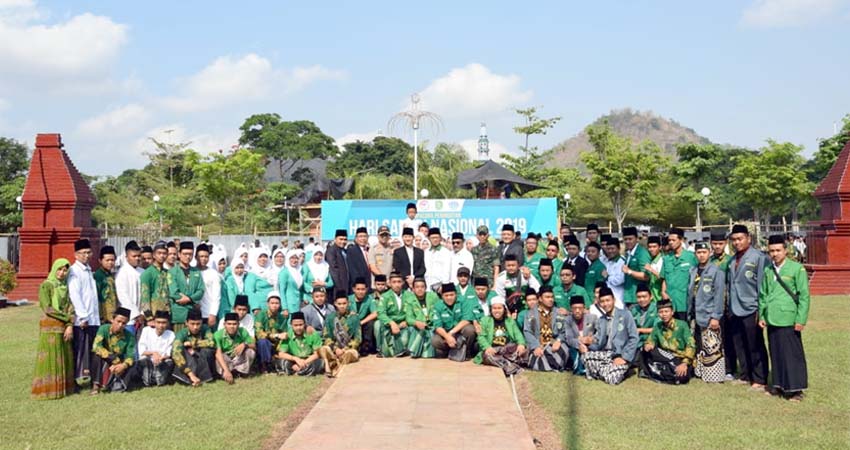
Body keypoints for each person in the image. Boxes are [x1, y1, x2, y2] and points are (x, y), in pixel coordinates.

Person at [759, 235, 810, 401]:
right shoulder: (768, 270)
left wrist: (801, 319)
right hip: (772, 317)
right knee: (776, 352)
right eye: (771, 251)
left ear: (785, 250)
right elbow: (763, 294)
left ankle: (796, 389)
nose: (775, 254)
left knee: (792, 354)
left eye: (778, 250)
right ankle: (779, 385)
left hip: (789, 317)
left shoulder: (797, 269)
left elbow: (804, 296)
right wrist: (762, 314)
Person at [727, 224, 769, 389]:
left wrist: (760, 310)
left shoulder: (759, 257)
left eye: (740, 239)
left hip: (751, 308)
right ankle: (745, 375)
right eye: (734, 240)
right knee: (740, 343)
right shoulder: (732, 260)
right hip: (735, 308)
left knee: (755, 344)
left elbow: (762, 286)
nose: (737, 242)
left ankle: (759, 378)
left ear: (748, 238)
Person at [31, 259, 76, 399]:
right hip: (50, 327)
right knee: (50, 358)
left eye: (65, 270)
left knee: (63, 357)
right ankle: (47, 390)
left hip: (64, 327)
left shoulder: (65, 287)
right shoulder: (47, 285)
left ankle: (63, 389)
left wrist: (69, 325)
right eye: (59, 269)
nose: (62, 273)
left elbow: (70, 306)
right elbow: (47, 308)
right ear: (54, 269)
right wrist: (68, 318)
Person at [583, 287, 639, 385]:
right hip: (607, 354)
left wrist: (624, 358)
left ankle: (606, 370)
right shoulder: (601, 320)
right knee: (586, 357)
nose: (605, 304)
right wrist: (589, 343)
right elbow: (598, 341)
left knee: (612, 380)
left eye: (608, 300)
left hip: (621, 354)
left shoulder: (625, 315)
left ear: (614, 300)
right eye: (602, 301)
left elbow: (634, 338)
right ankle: (609, 368)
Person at [688, 242, 727, 383]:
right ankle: (700, 371)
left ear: (709, 253)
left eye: (704, 252)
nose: (701, 255)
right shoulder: (693, 271)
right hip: (695, 313)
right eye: (698, 253)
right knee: (699, 344)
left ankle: (714, 375)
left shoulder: (716, 271)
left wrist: (716, 316)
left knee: (712, 346)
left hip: (709, 314)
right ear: (695, 254)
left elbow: (719, 296)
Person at [68, 238, 100, 387]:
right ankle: (74, 380)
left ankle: (93, 378)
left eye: (89, 252)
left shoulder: (88, 271)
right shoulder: (74, 271)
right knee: (79, 352)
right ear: (76, 255)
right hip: (83, 320)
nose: (86, 256)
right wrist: (82, 316)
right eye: (83, 253)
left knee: (92, 351)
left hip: (94, 319)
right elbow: (75, 295)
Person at [640, 299, 696, 385]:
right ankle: (663, 371)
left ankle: (656, 372)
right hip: (665, 357)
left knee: (682, 377)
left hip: (679, 358)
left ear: (672, 312)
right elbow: (651, 340)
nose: (664, 314)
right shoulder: (658, 326)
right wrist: (649, 344)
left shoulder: (682, 325)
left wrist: (684, 363)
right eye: (661, 312)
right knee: (644, 350)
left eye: (666, 311)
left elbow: (691, 344)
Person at [474, 296, 526, 376]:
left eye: (499, 308)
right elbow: (481, 336)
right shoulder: (485, 320)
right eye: (494, 308)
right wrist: (487, 347)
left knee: (523, 350)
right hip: (493, 350)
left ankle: (508, 362)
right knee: (488, 356)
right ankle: (510, 367)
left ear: (504, 309)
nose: (497, 311)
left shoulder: (509, 321)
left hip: (506, 349)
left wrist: (521, 344)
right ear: (491, 310)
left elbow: (518, 334)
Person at [523, 285, 569, 372]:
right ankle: (551, 364)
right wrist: (536, 346)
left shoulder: (558, 312)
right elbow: (527, 332)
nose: (550, 299)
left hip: (553, 343)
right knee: (535, 356)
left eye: (552, 297)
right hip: (538, 343)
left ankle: (546, 363)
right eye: (547, 297)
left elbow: (564, 331)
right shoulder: (530, 314)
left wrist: (558, 341)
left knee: (564, 349)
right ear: (540, 298)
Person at [91, 307, 136, 394]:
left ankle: (118, 384)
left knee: (133, 363)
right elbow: (96, 346)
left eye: (124, 323)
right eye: (118, 321)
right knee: (96, 355)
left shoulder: (130, 336)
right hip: (106, 360)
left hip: (120, 364)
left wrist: (123, 365)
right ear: (112, 319)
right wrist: (113, 359)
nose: (120, 325)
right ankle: (95, 387)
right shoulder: (103, 329)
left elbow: (131, 355)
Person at [319, 292, 361, 377]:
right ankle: (330, 363)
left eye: (344, 303)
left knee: (350, 354)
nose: (342, 306)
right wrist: (335, 349)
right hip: (334, 349)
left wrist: (345, 349)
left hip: (348, 349)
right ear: (335, 304)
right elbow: (326, 336)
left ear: (348, 303)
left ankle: (337, 367)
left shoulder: (354, 317)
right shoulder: (330, 318)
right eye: (339, 304)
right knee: (323, 349)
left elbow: (358, 338)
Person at [430, 283, 476, 361]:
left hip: (460, 332)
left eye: (452, 295)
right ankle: (449, 351)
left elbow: (467, 319)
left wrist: (451, 333)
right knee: (435, 341)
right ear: (442, 296)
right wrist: (447, 337)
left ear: (456, 294)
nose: (449, 298)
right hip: (446, 333)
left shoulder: (463, 301)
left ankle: (467, 351)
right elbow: (437, 326)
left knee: (470, 330)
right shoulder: (438, 306)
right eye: (446, 295)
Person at [660, 228, 698, 321]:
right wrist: (663, 292)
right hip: (670, 302)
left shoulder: (691, 257)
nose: (671, 242)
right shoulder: (666, 259)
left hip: (684, 302)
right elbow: (664, 278)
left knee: (684, 329)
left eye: (674, 240)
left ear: (681, 240)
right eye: (669, 240)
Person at [172, 309, 216, 386]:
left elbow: (211, 342)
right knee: (181, 350)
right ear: (186, 323)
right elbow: (175, 353)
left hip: (202, 360)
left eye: (198, 324)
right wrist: (190, 374)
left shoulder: (205, 329)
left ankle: (204, 377)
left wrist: (193, 344)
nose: (195, 327)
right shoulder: (181, 333)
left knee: (207, 351)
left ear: (202, 322)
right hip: (188, 363)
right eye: (192, 324)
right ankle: (190, 378)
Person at [168, 241, 205, 332]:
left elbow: (201, 290)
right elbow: (174, 292)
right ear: (179, 254)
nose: (188, 257)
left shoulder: (196, 272)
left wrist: (189, 299)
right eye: (185, 254)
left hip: (193, 315)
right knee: (179, 341)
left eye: (190, 254)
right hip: (179, 314)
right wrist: (187, 299)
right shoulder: (172, 272)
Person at [276, 311, 324, 376]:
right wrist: (295, 359)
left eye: (300, 325)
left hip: (309, 360)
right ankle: (302, 371)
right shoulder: (288, 335)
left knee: (320, 362)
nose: (298, 328)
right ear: (291, 325)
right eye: (295, 325)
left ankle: (296, 371)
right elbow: (281, 354)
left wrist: (304, 362)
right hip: (294, 360)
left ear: (304, 324)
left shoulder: (312, 333)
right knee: (281, 361)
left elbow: (318, 353)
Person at [494, 254, 540, 319]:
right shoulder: (501, 278)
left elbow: (537, 289)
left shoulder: (525, 274)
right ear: (504, 266)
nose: (511, 268)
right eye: (508, 265)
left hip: (526, 308)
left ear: (518, 265)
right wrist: (508, 313)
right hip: (509, 309)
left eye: (513, 265)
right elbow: (500, 298)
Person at [214, 312, 256, 383]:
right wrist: (227, 370)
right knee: (220, 357)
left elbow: (254, 345)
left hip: (238, 359)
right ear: (224, 325)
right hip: (226, 360)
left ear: (238, 324)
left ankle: (241, 372)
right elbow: (218, 354)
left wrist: (245, 345)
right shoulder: (218, 335)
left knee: (250, 351)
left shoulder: (243, 331)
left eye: (234, 324)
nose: (232, 326)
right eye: (229, 324)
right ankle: (227, 373)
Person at [136, 311, 175, 387]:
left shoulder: (171, 334)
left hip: (162, 361)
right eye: (158, 322)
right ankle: (148, 379)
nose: (161, 325)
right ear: (154, 322)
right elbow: (142, 350)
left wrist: (161, 358)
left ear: (167, 323)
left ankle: (158, 379)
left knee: (169, 362)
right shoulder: (146, 330)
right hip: (148, 360)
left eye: (164, 323)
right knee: (144, 360)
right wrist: (153, 353)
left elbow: (169, 353)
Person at [376, 272, 411, 357]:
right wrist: (391, 323)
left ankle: (401, 349)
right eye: (394, 282)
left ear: (403, 282)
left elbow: (413, 311)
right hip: (389, 324)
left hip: (404, 324)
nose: (397, 285)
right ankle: (381, 350)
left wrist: (407, 321)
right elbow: (380, 313)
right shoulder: (385, 296)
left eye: (399, 282)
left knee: (406, 338)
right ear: (390, 283)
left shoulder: (409, 295)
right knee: (377, 324)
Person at [403, 278, 439, 358]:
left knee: (431, 331)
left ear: (426, 288)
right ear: (413, 289)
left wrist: (431, 321)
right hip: (418, 326)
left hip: (431, 324)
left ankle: (417, 350)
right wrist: (417, 323)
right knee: (414, 329)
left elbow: (438, 311)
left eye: (422, 287)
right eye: (417, 287)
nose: (420, 289)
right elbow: (409, 318)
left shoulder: (433, 296)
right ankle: (415, 351)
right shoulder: (410, 300)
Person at [255, 291, 289, 373]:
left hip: (276, 345)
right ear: (268, 304)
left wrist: (283, 336)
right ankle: (265, 366)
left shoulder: (281, 318)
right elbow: (259, 333)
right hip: (263, 345)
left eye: (277, 303)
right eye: (272, 303)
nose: (274, 305)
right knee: (263, 342)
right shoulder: (261, 315)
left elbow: (285, 332)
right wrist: (275, 335)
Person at [563, 295, 598, 375]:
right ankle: (579, 368)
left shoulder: (593, 318)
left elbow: (599, 333)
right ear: (571, 309)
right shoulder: (567, 320)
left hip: (590, 345)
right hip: (575, 347)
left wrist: (591, 339)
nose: (577, 311)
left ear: (584, 308)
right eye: (574, 308)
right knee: (572, 351)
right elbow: (569, 339)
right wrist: (580, 343)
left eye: (580, 308)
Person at [115, 240, 144, 334]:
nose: (137, 258)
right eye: (134, 256)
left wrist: (143, 314)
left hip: (142, 318)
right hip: (128, 319)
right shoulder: (122, 273)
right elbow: (123, 297)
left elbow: (145, 295)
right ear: (127, 257)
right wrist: (136, 315)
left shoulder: (143, 272)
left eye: (139, 256)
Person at [140, 240, 171, 322]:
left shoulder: (167, 272)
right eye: (159, 253)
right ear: (153, 255)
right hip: (154, 316)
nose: (162, 256)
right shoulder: (148, 273)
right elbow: (145, 296)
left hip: (167, 314)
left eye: (164, 253)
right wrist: (149, 318)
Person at [622, 227, 650, 307]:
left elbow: (646, 276)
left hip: (638, 298)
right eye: (625, 239)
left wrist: (629, 271)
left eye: (630, 239)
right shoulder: (628, 253)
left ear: (637, 239)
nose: (627, 241)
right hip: (629, 296)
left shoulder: (642, 253)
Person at [195, 243, 222, 330]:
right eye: (201, 256)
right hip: (194, 314)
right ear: (195, 257)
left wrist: (213, 314)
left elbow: (216, 296)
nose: (203, 259)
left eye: (206, 256)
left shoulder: (213, 273)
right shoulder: (191, 271)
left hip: (208, 313)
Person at [350, 277, 379, 355]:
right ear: (354, 289)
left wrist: (362, 322)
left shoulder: (369, 299)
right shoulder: (349, 299)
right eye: (358, 289)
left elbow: (375, 313)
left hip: (363, 323)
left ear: (366, 289)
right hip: (351, 324)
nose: (360, 292)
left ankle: (366, 347)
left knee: (370, 323)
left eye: (363, 289)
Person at [276, 249, 305, 316]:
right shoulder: (284, 272)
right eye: (292, 258)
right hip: (289, 306)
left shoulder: (299, 272)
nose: (294, 260)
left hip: (298, 304)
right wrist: (284, 308)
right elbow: (282, 291)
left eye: (296, 258)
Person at [245, 248, 275, 313]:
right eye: (260, 257)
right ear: (256, 258)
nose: (263, 259)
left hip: (274, 306)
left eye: (265, 257)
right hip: (259, 307)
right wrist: (255, 307)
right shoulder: (252, 273)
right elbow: (249, 291)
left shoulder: (272, 271)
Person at [93, 246, 118, 324]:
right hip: (103, 318)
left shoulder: (112, 275)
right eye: (107, 260)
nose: (110, 262)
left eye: (112, 260)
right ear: (100, 261)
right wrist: (101, 317)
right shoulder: (98, 276)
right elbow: (96, 297)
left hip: (113, 317)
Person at [630, 283, 658, 349]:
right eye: (639, 297)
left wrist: (640, 330)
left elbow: (657, 329)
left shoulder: (657, 308)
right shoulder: (633, 309)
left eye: (644, 296)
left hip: (653, 341)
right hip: (637, 342)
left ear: (651, 297)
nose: (642, 299)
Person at [347, 227, 371, 294]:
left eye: (364, 236)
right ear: (356, 238)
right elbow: (353, 271)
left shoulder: (369, 250)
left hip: (369, 286)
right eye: (360, 236)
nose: (363, 239)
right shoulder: (351, 251)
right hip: (359, 287)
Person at [603, 237, 626, 307]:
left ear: (618, 249)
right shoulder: (607, 262)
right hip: (607, 298)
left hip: (619, 298)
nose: (610, 251)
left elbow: (619, 280)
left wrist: (607, 277)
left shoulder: (623, 262)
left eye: (612, 249)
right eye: (608, 249)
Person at [643, 236, 665, 305]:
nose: (651, 249)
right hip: (652, 297)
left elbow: (664, 278)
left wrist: (651, 270)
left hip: (659, 297)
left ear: (660, 247)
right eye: (650, 247)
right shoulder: (650, 260)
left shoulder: (663, 260)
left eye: (654, 247)